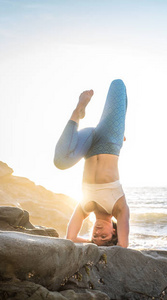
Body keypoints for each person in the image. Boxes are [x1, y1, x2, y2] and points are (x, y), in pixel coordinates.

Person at [53, 79, 130, 247]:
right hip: (110, 139)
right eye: (104, 237)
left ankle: (78, 111)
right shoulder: (119, 209)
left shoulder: (84, 207)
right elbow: (123, 247)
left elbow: (71, 239)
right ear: (114, 231)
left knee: (60, 162)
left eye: (95, 237)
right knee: (118, 84)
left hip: (88, 144)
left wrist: (90, 243)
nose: (98, 234)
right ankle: (121, 131)